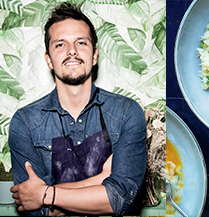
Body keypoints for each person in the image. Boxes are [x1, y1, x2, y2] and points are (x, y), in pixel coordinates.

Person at [8, 2, 147, 216]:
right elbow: (33, 210)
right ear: (48, 60)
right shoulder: (25, 122)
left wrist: (45, 195)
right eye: (60, 45)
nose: (72, 51)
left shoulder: (127, 113)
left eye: (81, 43)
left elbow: (120, 199)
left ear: (94, 56)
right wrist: (101, 181)